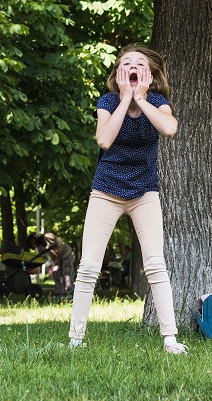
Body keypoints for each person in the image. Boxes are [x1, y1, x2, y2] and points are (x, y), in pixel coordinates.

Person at [69, 44, 187, 355]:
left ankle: (170, 340)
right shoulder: (108, 101)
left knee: (155, 265)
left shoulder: (158, 103)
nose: (132, 66)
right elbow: (104, 139)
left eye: (139, 63)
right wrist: (124, 100)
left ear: (149, 74)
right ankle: (75, 340)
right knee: (88, 267)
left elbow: (169, 129)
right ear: (119, 73)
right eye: (126, 63)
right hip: (106, 191)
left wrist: (141, 99)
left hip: (144, 192)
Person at [44, 232, 75, 300]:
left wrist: (52, 265)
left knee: (66, 274)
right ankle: (59, 292)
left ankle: (68, 292)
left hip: (66, 256)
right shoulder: (48, 246)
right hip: (59, 259)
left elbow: (58, 255)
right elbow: (53, 257)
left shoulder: (59, 244)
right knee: (56, 273)